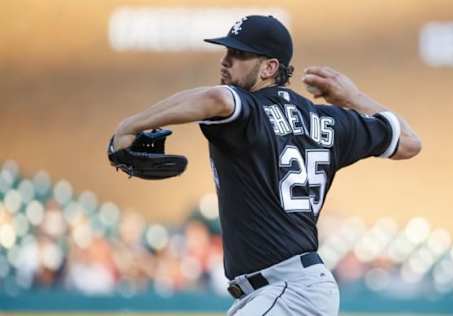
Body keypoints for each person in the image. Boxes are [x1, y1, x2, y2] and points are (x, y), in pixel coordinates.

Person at [112, 15, 421, 316]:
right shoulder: (330, 120)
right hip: (286, 292)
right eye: (227, 51)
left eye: (239, 54)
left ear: (269, 67)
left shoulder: (251, 111)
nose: (226, 61)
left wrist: (130, 125)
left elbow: (217, 98)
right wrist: (353, 98)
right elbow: (409, 142)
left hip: (289, 290)